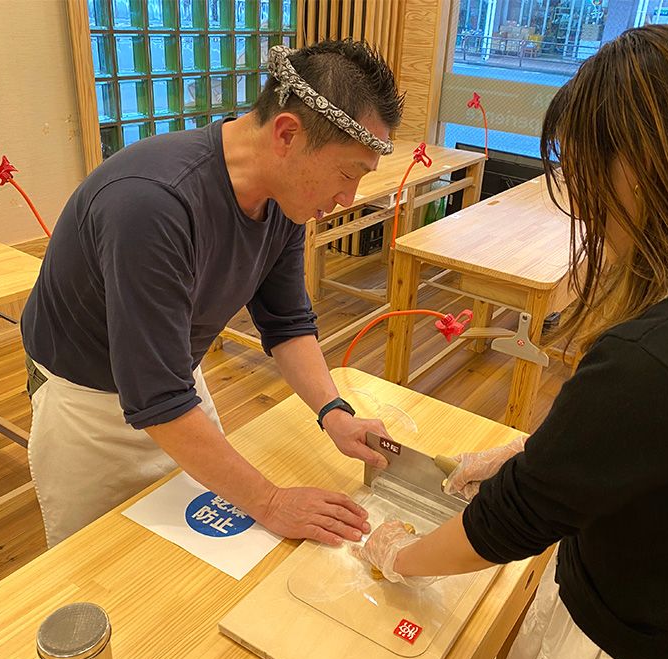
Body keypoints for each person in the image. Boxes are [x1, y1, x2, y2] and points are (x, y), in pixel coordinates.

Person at [354, 25, 668, 659]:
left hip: (630, 641)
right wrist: (538, 450)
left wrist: (396, 555)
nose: (584, 204)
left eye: (585, 172)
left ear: (639, 167)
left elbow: (508, 524)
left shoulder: (662, 352)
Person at [20, 39, 405, 548]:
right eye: (347, 173)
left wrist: (334, 412)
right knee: (103, 567)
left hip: (174, 381)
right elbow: (154, 396)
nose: (346, 199)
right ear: (287, 134)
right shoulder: (151, 203)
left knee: (198, 560)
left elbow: (286, 322)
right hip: (87, 403)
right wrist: (270, 501)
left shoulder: (281, 196)